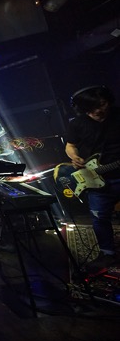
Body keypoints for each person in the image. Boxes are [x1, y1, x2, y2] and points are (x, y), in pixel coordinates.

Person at [65, 86, 120, 271]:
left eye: (102, 104)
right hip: (94, 178)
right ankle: (107, 253)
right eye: (91, 108)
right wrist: (74, 157)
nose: (98, 110)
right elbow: (70, 145)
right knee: (99, 217)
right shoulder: (77, 123)